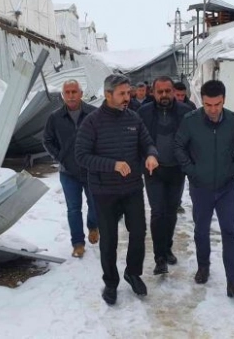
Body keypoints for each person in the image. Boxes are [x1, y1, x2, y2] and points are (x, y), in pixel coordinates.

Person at [75, 73, 159, 305]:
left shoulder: (133, 118)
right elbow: (81, 156)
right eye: (122, 94)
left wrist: (151, 155)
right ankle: (110, 282)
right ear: (108, 94)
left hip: (132, 188)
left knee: (139, 232)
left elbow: (147, 143)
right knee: (109, 240)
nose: (127, 97)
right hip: (104, 192)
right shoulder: (91, 122)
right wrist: (112, 165)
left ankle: (133, 273)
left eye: (128, 93)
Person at [174, 79, 234, 298]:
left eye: (217, 104)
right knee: (201, 229)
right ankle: (203, 266)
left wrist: (233, 169)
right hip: (201, 187)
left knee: (230, 232)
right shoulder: (191, 121)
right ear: (202, 102)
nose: (213, 110)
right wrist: (191, 171)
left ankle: (233, 281)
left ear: (223, 100)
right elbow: (179, 146)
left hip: (226, 187)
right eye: (208, 105)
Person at [137, 76, 193, 275]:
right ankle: (159, 258)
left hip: (177, 170)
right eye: (160, 92)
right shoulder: (143, 113)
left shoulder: (186, 112)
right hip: (154, 170)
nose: (164, 95)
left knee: (170, 212)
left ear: (173, 91)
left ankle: (167, 247)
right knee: (157, 212)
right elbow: (139, 141)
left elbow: (193, 141)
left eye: (167, 91)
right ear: (153, 93)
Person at [43, 80, 98, 258]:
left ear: (81, 94)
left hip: (91, 171)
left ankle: (93, 226)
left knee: (95, 204)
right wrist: (60, 157)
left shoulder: (93, 113)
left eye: (74, 91)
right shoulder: (55, 117)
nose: (71, 95)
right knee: (73, 209)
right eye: (67, 92)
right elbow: (47, 140)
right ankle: (78, 243)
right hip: (68, 172)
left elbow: (102, 137)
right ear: (63, 95)